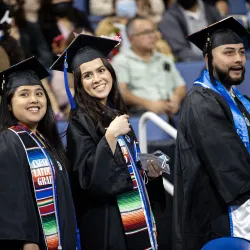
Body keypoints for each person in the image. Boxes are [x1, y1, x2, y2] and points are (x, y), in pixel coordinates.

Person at [50, 34, 165, 249]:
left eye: (101, 70)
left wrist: (147, 171)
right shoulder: (79, 123)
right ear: (80, 83)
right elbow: (87, 179)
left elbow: (127, 169)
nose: (97, 79)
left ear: (110, 73)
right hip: (107, 222)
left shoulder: (114, 113)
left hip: (133, 212)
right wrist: (110, 136)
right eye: (88, 75)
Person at [173, 16, 250, 250]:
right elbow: (229, 165)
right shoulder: (201, 102)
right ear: (208, 59)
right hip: (222, 216)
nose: (238, 59)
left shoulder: (239, 100)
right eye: (228, 52)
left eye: (241, 52)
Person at [0, 57, 80, 250]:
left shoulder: (47, 141)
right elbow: (12, 200)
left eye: (39, 93)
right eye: (24, 94)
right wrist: (28, 243)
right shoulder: (9, 140)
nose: (34, 99)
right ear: (9, 104)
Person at [112, 16, 186, 116]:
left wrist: (176, 99)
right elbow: (121, 92)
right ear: (131, 38)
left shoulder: (164, 59)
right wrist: (148, 104)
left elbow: (180, 85)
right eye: (146, 32)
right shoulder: (121, 61)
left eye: (153, 31)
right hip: (142, 115)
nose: (153, 36)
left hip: (172, 112)